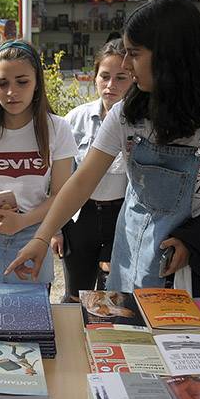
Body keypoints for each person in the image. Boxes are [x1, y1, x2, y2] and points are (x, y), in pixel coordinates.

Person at [7, 0, 200, 296]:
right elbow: (82, 182)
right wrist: (41, 238)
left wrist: (194, 239)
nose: (126, 65)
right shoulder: (126, 114)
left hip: (193, 268)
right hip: (129, 252)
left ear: (171, 57)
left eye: (134, 54)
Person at [0, 40, 76, 286]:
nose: (11, 92)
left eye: (22, 82)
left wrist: (23, 221)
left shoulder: (57, 128)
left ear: (37, 83)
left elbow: (62, 196)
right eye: (2, 83)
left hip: (33, 236)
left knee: (30, 318)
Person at [58, 39, 136, 301]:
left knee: (113, 297)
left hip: (122, 218)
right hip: (81, 217)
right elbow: (61, 180)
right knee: (75, 294)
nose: (111, 85)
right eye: (105, 76)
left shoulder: (141, 123)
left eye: (121, 78)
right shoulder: (74, 119)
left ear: (134, 79)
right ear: (94, 78)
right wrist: (55, 229)